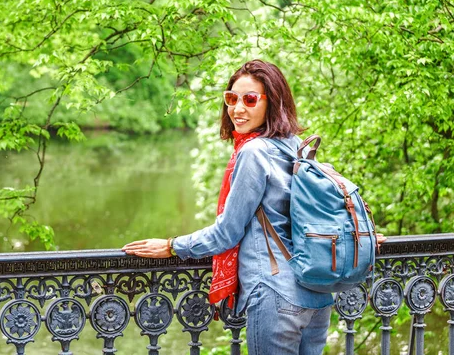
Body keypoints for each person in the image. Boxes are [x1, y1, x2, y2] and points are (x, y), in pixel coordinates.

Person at [122, 59, 385, 355]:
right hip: (317, 293)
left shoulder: (254, 152)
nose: (237, 109)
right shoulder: (296, 145)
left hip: (276, 293)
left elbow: (227, 233)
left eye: (250, 99)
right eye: (231, 99)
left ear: (272, 103)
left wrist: (172, 246)